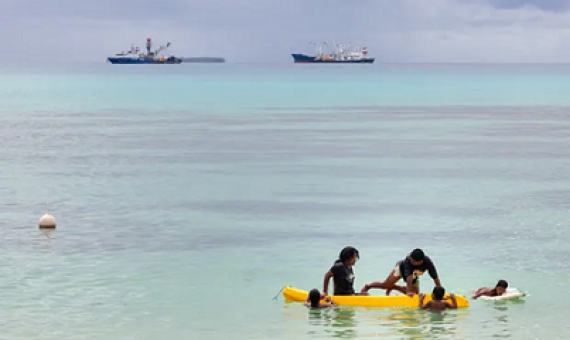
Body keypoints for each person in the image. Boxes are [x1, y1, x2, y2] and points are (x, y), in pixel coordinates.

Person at [360, 248, 441, 297]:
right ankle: (368, 286)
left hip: (415, 273)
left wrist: (440, 291)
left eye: (413, 261)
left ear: (420, 261)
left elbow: (435, 277)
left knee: (415, 294)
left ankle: (394, 287)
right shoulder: (407, 261)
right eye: (411, 259)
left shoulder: (428, 262)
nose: (411, 261)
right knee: (385, 285)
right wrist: (409, 292)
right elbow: (409, 278)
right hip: (400, 269)